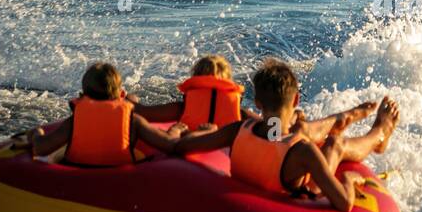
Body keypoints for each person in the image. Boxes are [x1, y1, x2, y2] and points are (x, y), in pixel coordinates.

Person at [174, 58, 398, 212]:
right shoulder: (305, 152)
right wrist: (349, 180)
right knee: (334, 143)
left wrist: (181, 131)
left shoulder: (237, 130)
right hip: (301, 190)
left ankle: (341, 119)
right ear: (296, 99)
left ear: (258, 102)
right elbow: (344, 203)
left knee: (294, 130)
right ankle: (379, 134)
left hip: (272, 153)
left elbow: (181, 147)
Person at [135, 54, 377, 139]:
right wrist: (291, 121)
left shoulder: (181, 109)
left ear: (195, 83)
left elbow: (144, 113)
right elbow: (266, 127)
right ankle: (344, 119)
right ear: (229, 85)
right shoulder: (238, 114)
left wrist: (127, 101)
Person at [15, 61, 186, 165]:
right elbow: (169, 145)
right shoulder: (133, 121)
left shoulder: (75, 121)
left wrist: (36, 134)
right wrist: (176, 130)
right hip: (123, 176)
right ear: (121, 95)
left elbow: (42, 149)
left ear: (83, 94)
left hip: (79, 176)